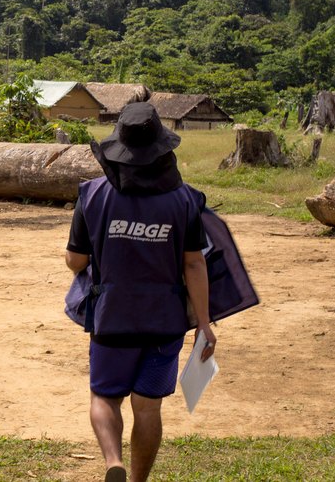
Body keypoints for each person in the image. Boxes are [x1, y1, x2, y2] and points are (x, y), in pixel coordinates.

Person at [65, 102, 216, 482]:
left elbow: (75, 262)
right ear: (162, 151)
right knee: (148, 408)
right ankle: (136, 481)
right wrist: (205, 323)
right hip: (163, 322)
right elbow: (194, 264)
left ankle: (112, 460)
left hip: (111, 317)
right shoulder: (184, 200)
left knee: (103, 397)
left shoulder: (92, 196)